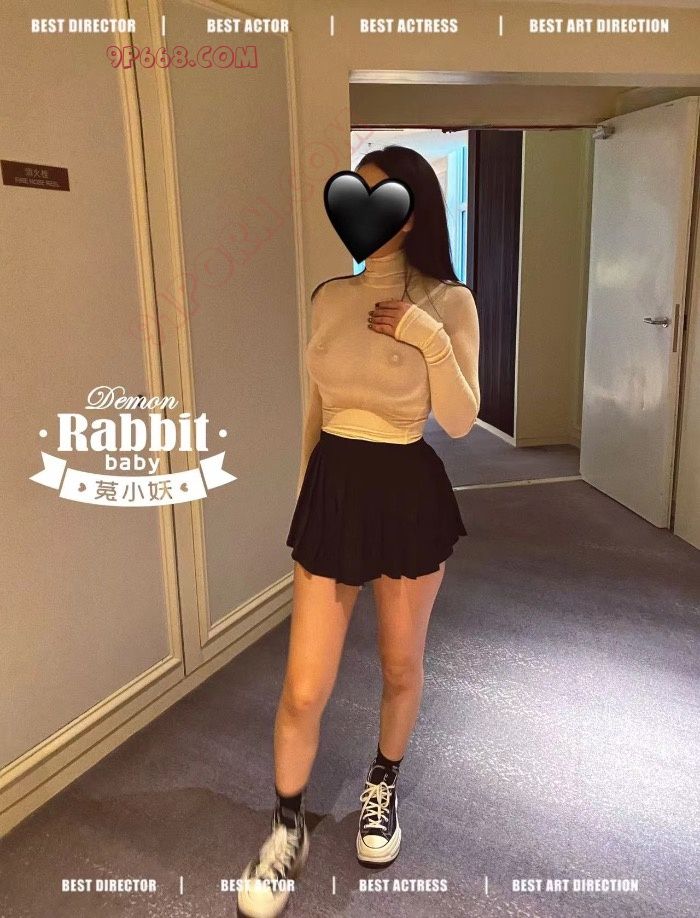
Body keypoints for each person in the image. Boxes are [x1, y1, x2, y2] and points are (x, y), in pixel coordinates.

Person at [237, 145, 481, 918]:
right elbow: (315, 405)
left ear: (412, 213)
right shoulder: (328, 297)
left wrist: (427, 337)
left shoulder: (449, 301)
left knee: (400, 665)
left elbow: (461, 420)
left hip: (406, 486)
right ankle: (287, 829)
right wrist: (307, 496)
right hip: (335, 487)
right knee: (304, 686)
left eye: (380, 198)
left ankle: (382, 785)